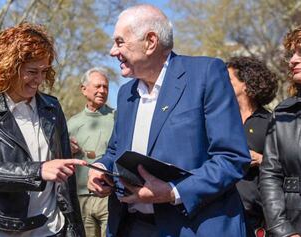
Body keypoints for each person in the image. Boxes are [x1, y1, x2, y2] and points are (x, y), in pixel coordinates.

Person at [86, 4, 251, 237]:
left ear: (150, 41)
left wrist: (173, 191)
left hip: (192, 227)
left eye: (120, 41)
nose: (113, 51)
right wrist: (102, 168)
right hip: (131, 226)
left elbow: (232, 159)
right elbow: (116, 150)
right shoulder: (125, 94)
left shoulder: (205, 74)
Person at [0, 22, 86, 237]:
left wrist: (74, 228)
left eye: (44, 71)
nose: (39, 80)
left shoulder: (52, 107)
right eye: (32, 71)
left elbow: (67, 180)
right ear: (8, 68)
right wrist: (38, 170)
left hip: (51, 228)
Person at [226, 57, 278, 237]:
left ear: (246, 85)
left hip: (254, 218)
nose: (222, 84)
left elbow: (288, 166)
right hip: (220, 212)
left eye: (229, 80)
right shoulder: (220, 119)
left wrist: (261, 159)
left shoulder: (271, 122)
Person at [259, 25, 301, 237]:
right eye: (292, 53)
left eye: (300, 52)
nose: (292, 60)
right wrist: (283, 231)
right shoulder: (284, 112)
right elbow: (270, 175)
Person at [67, 67, 115, 237]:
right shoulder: (71, 123)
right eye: (98, 86)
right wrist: (67, 150)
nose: (102, 91)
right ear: (84, 89)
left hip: (110, 197)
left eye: (106, 87)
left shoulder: (117, 118)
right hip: (80, 198)